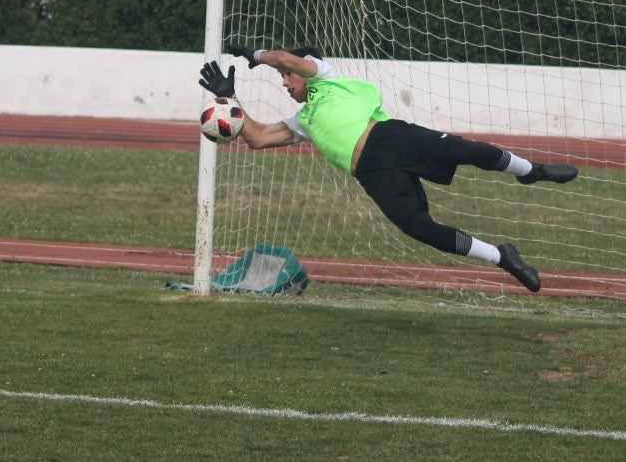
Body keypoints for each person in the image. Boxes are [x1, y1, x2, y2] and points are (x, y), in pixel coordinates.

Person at [198, 44, 578, 293]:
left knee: (464, 149)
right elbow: (258, 137)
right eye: (283, 77)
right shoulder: (304, 120)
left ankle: (530, 170)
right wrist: (229, 99)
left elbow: (284, 58)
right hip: (372, 172)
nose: (285, 82)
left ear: (308, 68)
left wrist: (257, 56)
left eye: (287, 76)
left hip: (390, 137)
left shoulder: (327, 78)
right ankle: (502, 257)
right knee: (418, 227)